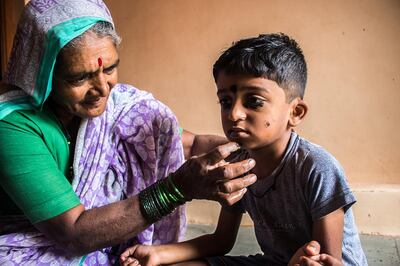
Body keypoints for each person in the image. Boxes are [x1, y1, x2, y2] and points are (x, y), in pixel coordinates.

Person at [0, 0, 257, 264]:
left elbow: (186, 145)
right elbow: (73, 234)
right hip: (31, 251)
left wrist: (252, 151)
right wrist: (177, 189)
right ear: (41, 73)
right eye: (79, 78)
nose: (102, 88)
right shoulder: (12, 126)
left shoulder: (120, 107)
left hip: (105, 248)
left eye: (110, 68)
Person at [119, 33, 368, 265]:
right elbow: (221, 241)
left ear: (295, 112)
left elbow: (323, 259)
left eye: (254, 102)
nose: (234, 114)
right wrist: (158, 253)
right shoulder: (237, 165)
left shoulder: (317, 167)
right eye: (225, 101)